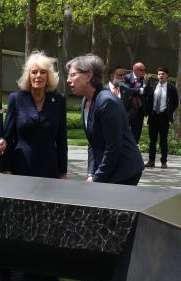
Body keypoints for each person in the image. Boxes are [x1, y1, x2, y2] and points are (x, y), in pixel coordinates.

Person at [66, 54, 144, 185]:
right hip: (109, 168)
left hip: (124, 172)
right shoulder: (86, 100)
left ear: (89, 76)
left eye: (73, 75)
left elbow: (114, 148)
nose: (68, 80)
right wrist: (91, 173)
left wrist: (97, 179)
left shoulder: (107, 102)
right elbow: (93, 143)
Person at [1, 51, 67, 178]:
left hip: (50, 168)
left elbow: (61, 138)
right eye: (34, 72)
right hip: (21, 167)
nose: (38, 76)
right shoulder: (16, 98)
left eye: (43, 72)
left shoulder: (58, 100)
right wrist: (5, 168)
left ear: (48, 77)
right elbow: (8, 136)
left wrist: (63, 171)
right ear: (28, 76)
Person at [145, 67, 179, 168]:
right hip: (153, 116)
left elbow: (175, 103)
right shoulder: (154, 86)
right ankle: (151, 160)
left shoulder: (171, 89)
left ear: (167, 76)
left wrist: (169, 112)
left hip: (164, 117)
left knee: (163, 141)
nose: (160, 76)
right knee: (152, 140)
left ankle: (163, 162)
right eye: (159, 74)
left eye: (163, 74)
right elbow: (148, 98)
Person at [123, 62, 151, 143]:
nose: (144, 72)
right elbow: (128, 91)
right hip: (128, 110)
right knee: (124, 132)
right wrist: (142, 88)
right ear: (135, 70)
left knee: (136, 134)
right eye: (142, 70)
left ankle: (133, 152)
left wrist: (146, 84)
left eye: (144, 70)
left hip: (139, 111)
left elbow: (148, 93)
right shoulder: (126, 78)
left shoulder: (144, 80)